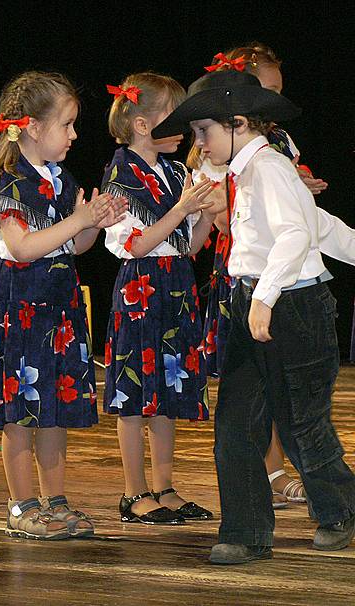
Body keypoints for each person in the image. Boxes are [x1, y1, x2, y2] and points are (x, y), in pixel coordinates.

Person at [153, 69, 355, 564]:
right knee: (237, 423)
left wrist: (265, 297)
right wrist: (255, 299)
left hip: (294, 308)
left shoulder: (269, 169)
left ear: (238, 123)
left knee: (301, 424)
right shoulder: (248, 172)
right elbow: (317, 224)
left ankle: (341, 508)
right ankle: (244, 531)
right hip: (252, 303)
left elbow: (294, 235)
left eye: (205, 131)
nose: (198, 142)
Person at [0, 71, 126, 540]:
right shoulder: (8, 180)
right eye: (67, 124)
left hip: (59, 305)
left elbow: (73, 246)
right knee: (21, 411)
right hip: (21, 303)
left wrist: (94, 223)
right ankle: (21, 505)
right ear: (35, 127)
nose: (74, 135)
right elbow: (22, 246)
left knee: (55, 407)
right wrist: (77, 221)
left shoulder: (61, 180)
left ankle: (54, 499)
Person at [101, 73, 224, 525]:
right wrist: (182, 209)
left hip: (175, 283)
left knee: (168, 389)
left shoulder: (173, 170)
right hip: (141, 287)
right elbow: (134, 244)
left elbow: (188, 246)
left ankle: (164, 486)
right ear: (139, 124)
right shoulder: (122, 172)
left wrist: (207, 214)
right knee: (135, 392)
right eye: (172, 119)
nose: (182, 128)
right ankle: (134, 493)